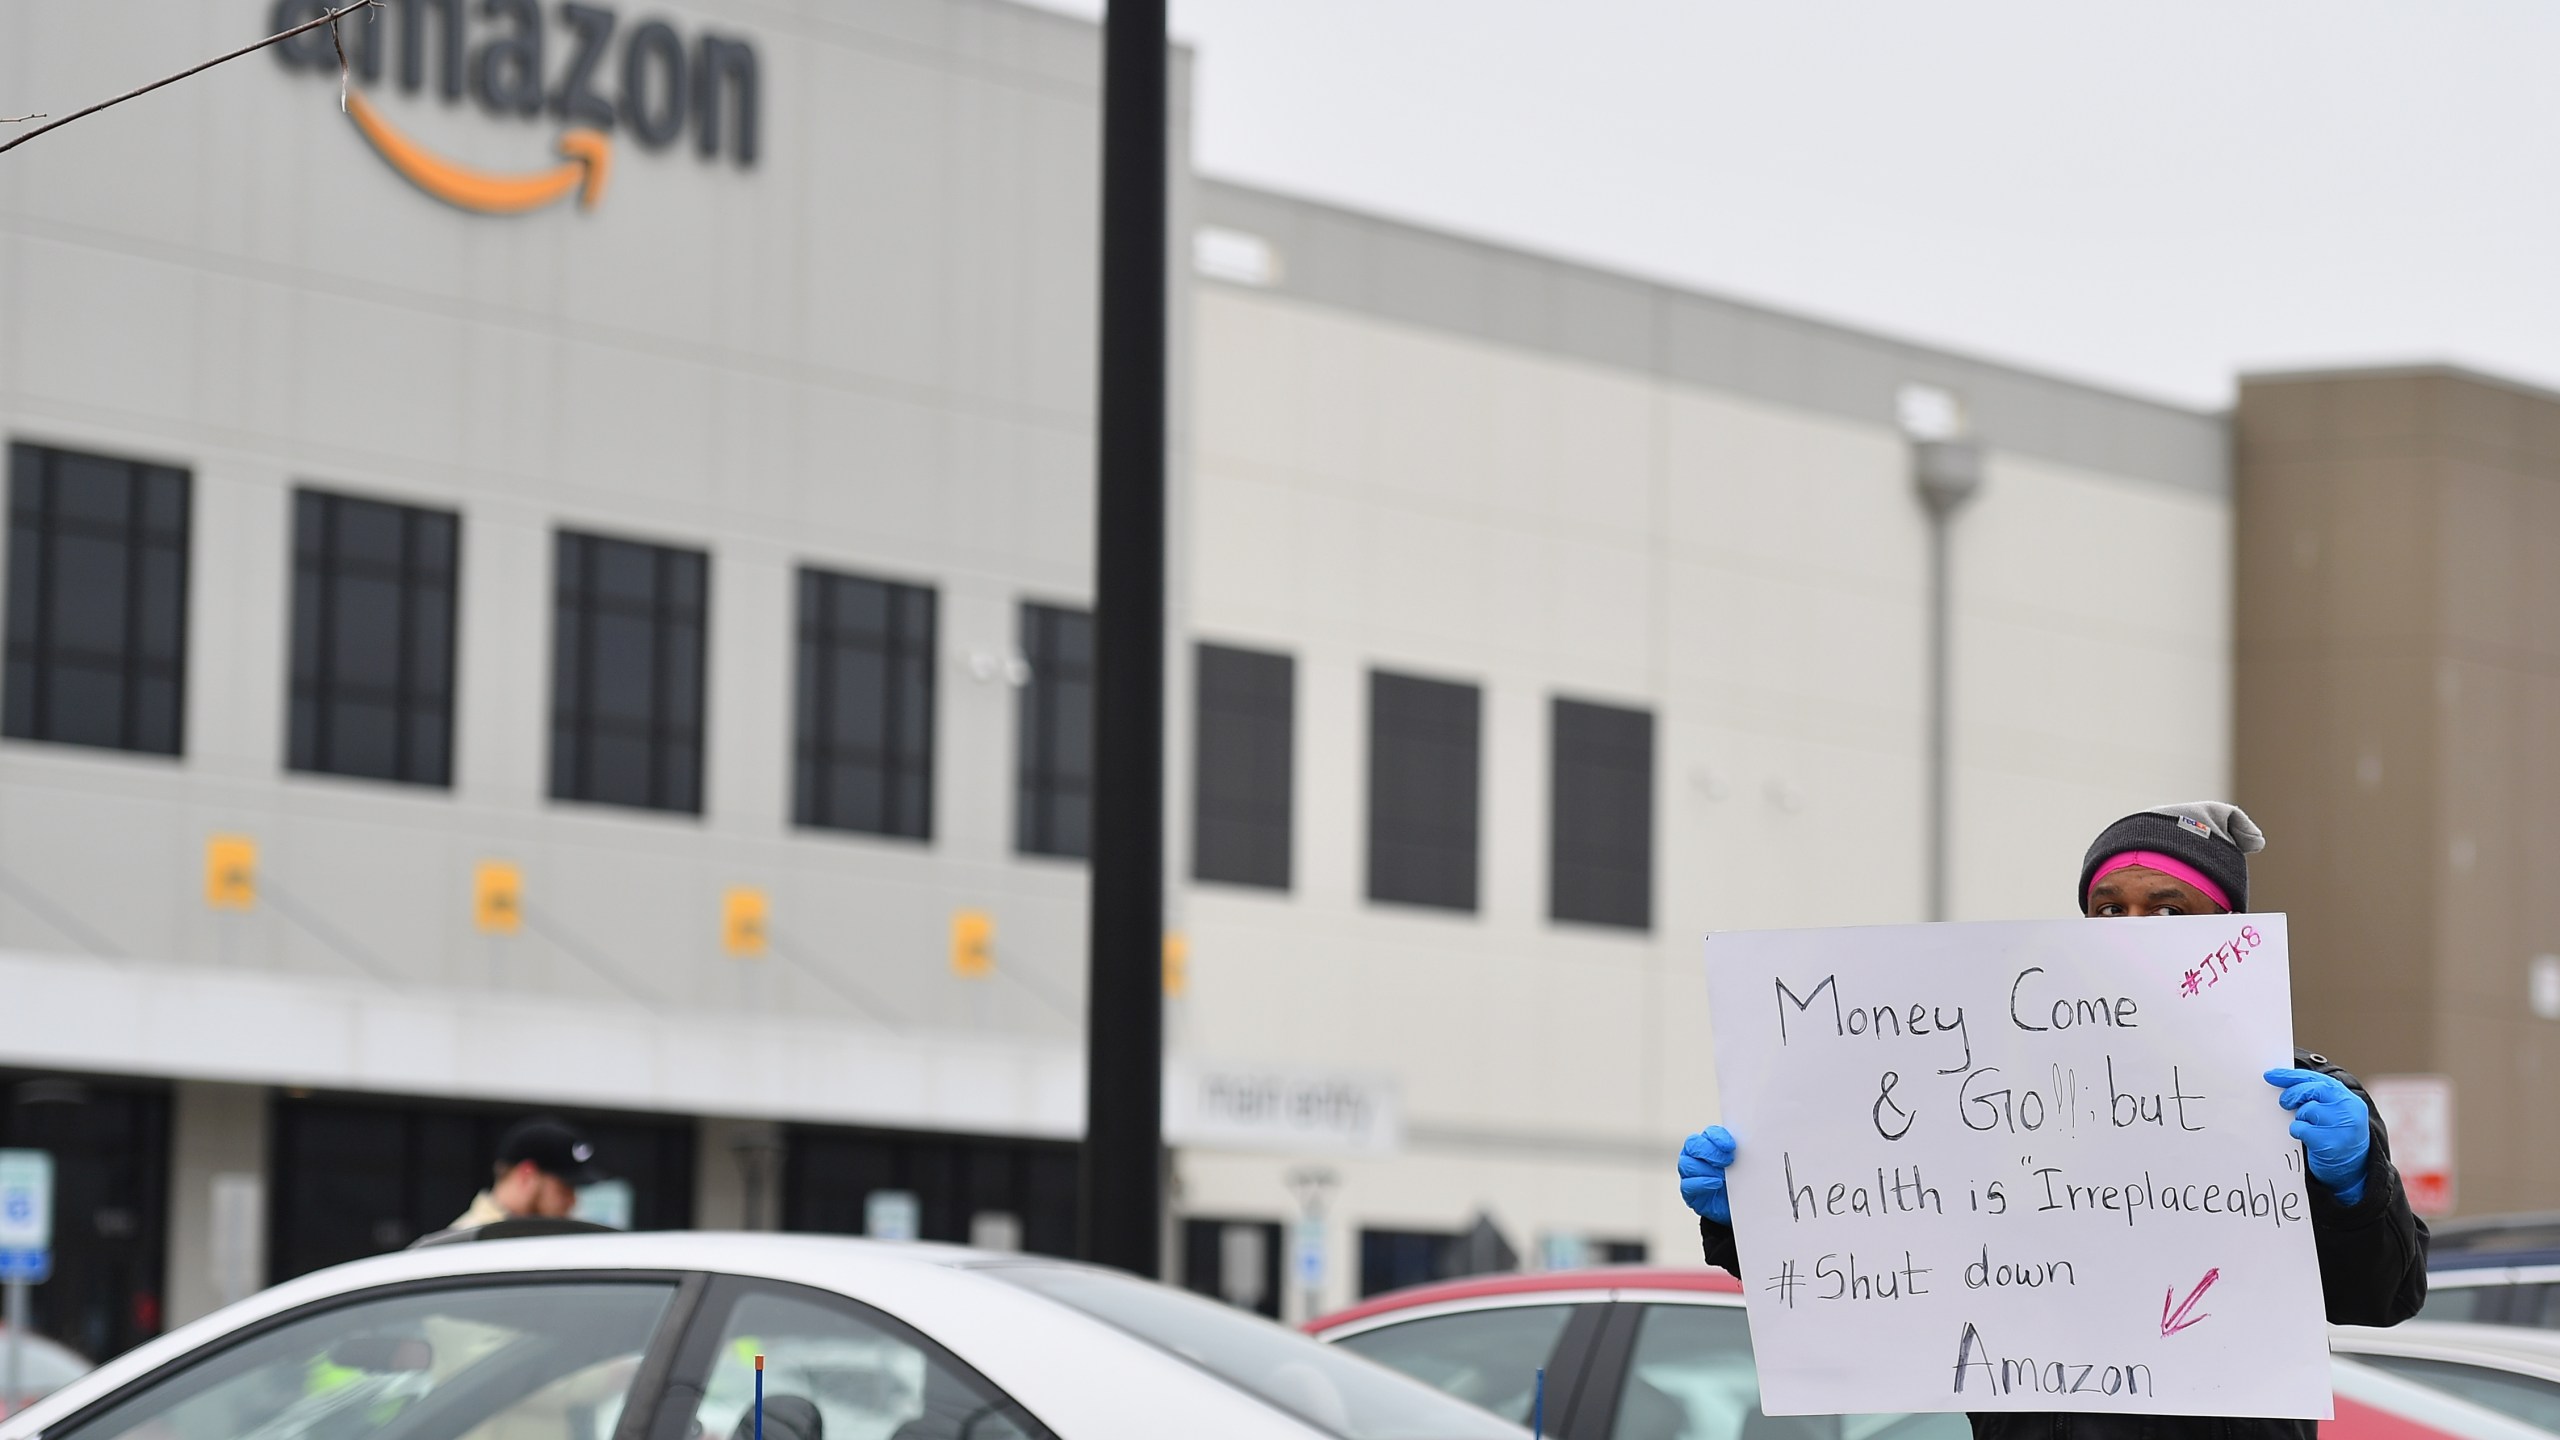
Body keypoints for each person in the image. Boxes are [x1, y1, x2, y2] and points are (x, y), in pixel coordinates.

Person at [1676, 802, 2428, 1440]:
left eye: (2169, 909)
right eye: (2109, 909)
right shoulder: (1986, 1095)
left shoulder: (2296, 1098)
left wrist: (2357, 1186)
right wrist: (1751, 1215)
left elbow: (2384, 1296)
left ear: (2226, 927)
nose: (2133, 928)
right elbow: (1885, 1268)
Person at [441, 1116, 603, 1232]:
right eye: (564, 1188)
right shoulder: (467, 1244)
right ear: (527, 1175)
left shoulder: (543, 1240)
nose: (572, 1201)